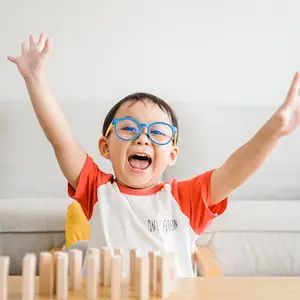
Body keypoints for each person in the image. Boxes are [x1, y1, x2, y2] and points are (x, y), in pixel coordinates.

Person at [8, 32, 300, 277]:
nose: (142, 138)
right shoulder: (97, 191)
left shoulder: (184, 199)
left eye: (157, 133)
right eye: (128, 128)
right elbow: (62, 141)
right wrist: (35, 79)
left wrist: (274, 130)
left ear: (172, 154)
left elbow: (234, 171)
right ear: (105, 147)